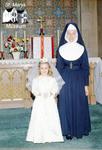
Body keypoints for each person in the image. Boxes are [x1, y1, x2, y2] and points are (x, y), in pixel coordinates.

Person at [56, 22, 91, 139]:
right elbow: (59, 67)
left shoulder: (82, 49)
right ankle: (68, 131)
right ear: (66, 35)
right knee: (65, 104)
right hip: (65, 78)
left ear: (76, 34)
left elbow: (85, 67)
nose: (71, 35)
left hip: (79, 78)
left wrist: (86, 85)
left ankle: (79, 130)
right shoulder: (61, 49)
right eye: (69, 33)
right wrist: (58, 84)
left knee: (78, 104)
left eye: (73, 33)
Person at [26, 58, 64, 143]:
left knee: (50, 117)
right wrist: (39, 94)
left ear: (49, 69)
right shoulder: (36, 79)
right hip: (39, 101)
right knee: (39, 117)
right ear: (39, 69)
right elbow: (34, 89)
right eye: (42, 68)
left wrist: (51, 93)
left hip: (49, 101)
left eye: (46, 68)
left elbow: (55, 89)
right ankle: (39, 136)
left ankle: (52, 136)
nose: (44, 70)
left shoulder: (52, 79)